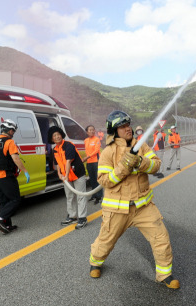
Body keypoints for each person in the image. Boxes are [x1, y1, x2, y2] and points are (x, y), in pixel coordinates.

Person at [89, 110, 179, 289]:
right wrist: (124, 166)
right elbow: (105, 180)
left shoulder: (142, 146)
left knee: (161, 237)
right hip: (117, 210)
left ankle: (164, 275)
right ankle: (95, 263)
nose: (127, 129)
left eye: (128, 125)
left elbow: (156, 166)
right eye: (122, 126)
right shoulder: (107, 152)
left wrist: (139, 162)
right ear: (114, 131)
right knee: (106, 240)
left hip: (143, 206)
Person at [0, 119, 30, 234]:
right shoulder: (9, 142)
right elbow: (15, 158)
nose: (13, 133)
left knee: (4, 201)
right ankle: (0, 219)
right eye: (13, 131)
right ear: (9, 130)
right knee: (15, 199)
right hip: (5, 175)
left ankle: (7, 225)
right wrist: (25, 171)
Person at [48, 126, 88, 229]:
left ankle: (82, 218)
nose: (57, 137)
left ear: (61, 135)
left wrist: (64, 175)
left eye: (58, 134)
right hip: (66, 177)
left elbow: (68, 161)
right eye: (54, 136)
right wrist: (59, 174)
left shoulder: (68, 145)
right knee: (70, 196)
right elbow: (56, 163)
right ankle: (72, 216)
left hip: (77, 174)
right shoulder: (55, 149)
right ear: (52, 139)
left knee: (80, 196)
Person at [83, 125, 103, 204]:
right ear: (87, 132)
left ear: (94, 131)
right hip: (89, 163)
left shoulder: (97, 139)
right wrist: (87, 159)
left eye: (93, 130)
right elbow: (87, 151)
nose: (91, 131)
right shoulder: (85, 140)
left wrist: (87, 157)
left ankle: (99, 196)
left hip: (96, 162)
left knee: (97, 179)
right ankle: (94, 195)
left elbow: (96, 150)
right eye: (90, 130)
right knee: (92, 180)